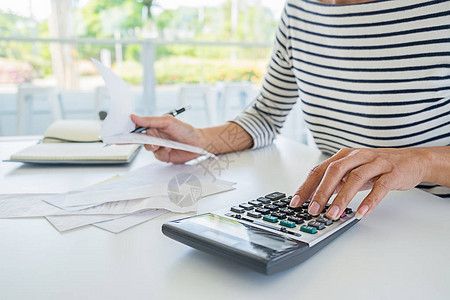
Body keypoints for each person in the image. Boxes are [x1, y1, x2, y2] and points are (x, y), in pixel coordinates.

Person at [131, 0, 450, 221]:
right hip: (336, 213)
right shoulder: (298, 10)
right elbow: (265, 115)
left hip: (430, 217)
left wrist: (423, 162)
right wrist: (200, 140)